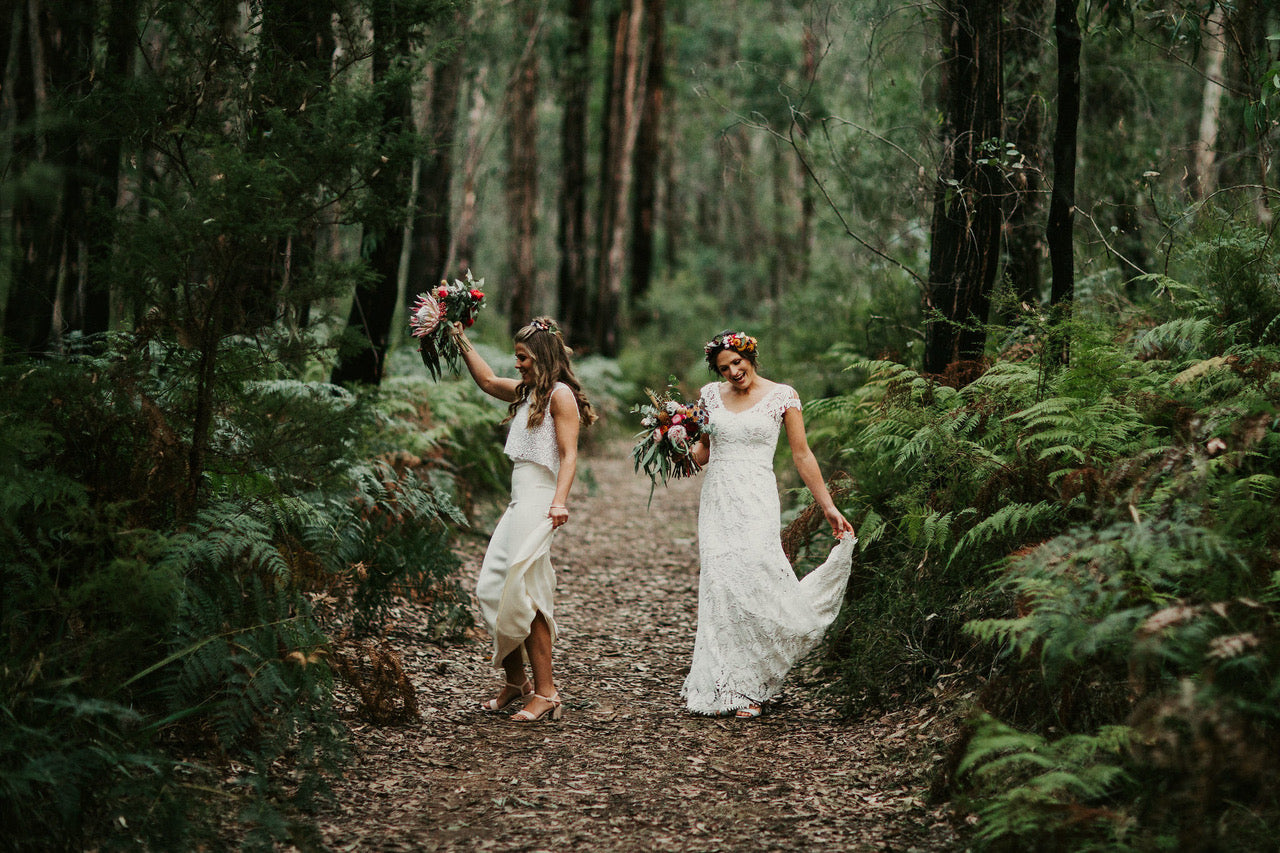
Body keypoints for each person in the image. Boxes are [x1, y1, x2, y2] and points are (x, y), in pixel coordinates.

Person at [683, 330, 856, 719]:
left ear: (750, 356)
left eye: (737, 362)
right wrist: (677, 450)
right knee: (722, 583)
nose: (733, 372)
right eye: (724, 367)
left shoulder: (783, 396)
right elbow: (704, 452)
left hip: (757, 498)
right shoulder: (710, 396)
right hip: (718, 500)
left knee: (758, 579)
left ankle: (756, 680)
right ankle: (726, 684)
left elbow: (802, 454)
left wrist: (826, 505)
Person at [450, 317, 597, 722]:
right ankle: (517, 683)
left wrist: (560, 502)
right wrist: (459, 338)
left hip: (539, 501)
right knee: (493, 590)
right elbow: (484, 380)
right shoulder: (529, 392)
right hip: (519, 502)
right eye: (516, 357)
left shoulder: (560, 397)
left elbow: (569, 455)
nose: (517, 364)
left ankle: (547, 692)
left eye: (523, 357)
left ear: (543, 356)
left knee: (527, 595)